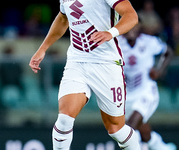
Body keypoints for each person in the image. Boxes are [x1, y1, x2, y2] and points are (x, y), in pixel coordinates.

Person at [29, 0, 140, 149]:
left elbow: (131, 15)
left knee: (116, 129)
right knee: (64, 118)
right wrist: (43, 48)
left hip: (106, 64)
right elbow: (63, 18)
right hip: (77, 61)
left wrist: (110, 33)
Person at [118, 22, 177, 150]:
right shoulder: (116, 43)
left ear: (138, 26)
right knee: (143, 131)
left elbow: (168, 51)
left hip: (146, 92)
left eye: (133, 25)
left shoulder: (149, 42)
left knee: (130, 127)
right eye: (127, 25)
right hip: (127, 95)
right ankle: (162, 148)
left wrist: (160, 70)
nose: (130, 29)